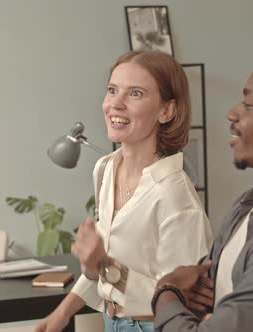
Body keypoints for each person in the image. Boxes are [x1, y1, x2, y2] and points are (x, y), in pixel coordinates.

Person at [36, 50, 212, 332]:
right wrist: (61, 314)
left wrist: (102, 263)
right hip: (111, 321)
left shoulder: (175, 197)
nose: (115, 104)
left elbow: (178, 301)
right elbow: (104, 268)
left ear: (166, 111)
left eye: (135, 93)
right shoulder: (105, 169)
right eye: (112, 90)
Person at [152, 72, 253, 331]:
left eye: (250, 104)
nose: (232, 113)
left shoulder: (177, 192)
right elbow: (211, 289)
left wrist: (166, 290)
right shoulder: (243, 207)